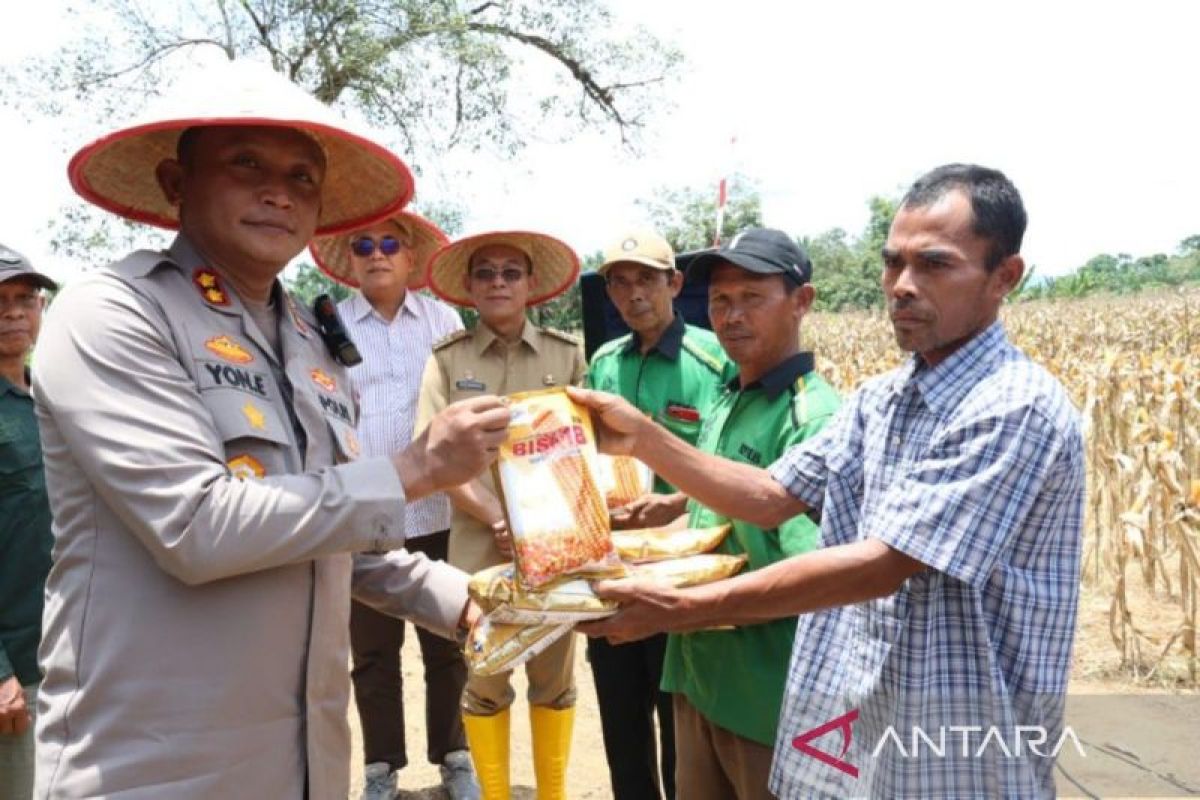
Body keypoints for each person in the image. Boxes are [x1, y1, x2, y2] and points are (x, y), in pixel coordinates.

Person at [33, 62, 511, 798]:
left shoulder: (314, 343)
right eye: (245, 163)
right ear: (174, 182)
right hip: (152, 767)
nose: (277, 192)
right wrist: (413, 470)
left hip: (307, 765)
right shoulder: (115, 313)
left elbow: (337, 537)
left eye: (302, 177)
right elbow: (195, 525)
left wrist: (475, 602)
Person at [572, 164, 1085, 798]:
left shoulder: (1011, 408)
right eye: (893, 263)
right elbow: (768, 497)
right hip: (865, 728)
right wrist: (640, 435)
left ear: (1005, 277)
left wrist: (680, 608)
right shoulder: (883, 400)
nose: (902, 285)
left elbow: (879, 567)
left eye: (934, 265)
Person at [656, 228, 840, 799]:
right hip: (696, 673)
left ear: (801, 301)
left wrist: (678, 603)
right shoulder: (728, 395)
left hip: (768, 697)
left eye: (751, 298)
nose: (731, 317)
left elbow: (812, 579)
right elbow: (714, 515)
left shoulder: (811, 419)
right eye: (719, 301)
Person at [311, 213, 479, 800]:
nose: (376, 254)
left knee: (448, 641)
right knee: (372, 651)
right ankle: (382, 767)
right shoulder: (323, 324)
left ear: (410, 257)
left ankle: (455, 757)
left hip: (436, 507)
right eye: (363, 245)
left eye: (389, 244)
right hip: (362, 510)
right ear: (350, 259)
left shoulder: (444, 320)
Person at [418, 230, 586, 800]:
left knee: (554, 677)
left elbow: (585, 451)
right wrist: (495, 515)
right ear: (468, 287)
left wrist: (540, 526)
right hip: (478, 546)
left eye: (510, 273)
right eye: (485, 273)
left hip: (557, 549)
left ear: (530, 285)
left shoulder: (566, 355)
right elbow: (432, 450)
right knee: (485, 678)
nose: (498, 283)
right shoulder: (447, 360)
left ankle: (554, 793)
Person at [583, 228, 732, 800]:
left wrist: (680, 502)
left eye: (645, 278)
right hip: (612, 566)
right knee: (620, 716)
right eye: (619, 282)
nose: (632, 293)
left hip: (683, 570)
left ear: (674, 282)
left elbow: (731, 470)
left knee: (680, 721)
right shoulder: (602, 364)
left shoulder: (713, 359)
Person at [0, 245, 57, 800]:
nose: (14, 312)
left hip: (63, 653)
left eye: (24, 299)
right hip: (12, 672)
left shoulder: (51, 396)